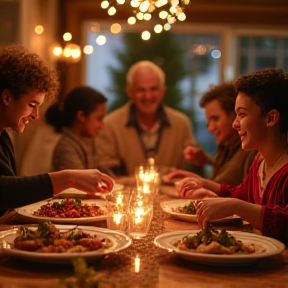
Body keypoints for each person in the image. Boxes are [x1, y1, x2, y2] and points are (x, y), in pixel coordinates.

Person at [0, 43, 113, 217]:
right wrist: (70, 177)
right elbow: (4, 191)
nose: (36, 115)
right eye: (32, 105)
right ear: (7, 97)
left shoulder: (4, 136)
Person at [177, 68, 288, 244]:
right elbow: (240, 194)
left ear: (270, 118)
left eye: (242, 115)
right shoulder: (260, 162)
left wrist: (235, 206)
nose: (235, 124)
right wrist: (205, 183)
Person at [96, 60, 202, 176]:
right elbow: (107, 176)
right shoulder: (110, 125)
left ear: (162, 91)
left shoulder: (181, 124)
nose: (148, 96)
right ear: (129, 92)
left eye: (153, 89)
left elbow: (191, 171)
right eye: (141, 90)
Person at [165, 83, 257, 186]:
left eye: (216, 118)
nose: (210, 128)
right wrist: (206, 160)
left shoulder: (248, 148)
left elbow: (225, 186)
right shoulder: (226, 145)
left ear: (235, 114)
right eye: (208, 121)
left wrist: (193, 181)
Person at [46, 86, 107, 171]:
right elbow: (84, 182)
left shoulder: (89, 140)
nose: (102, 126)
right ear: (81, 116)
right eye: (99, 119)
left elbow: (102, 175)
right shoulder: (66, 148)